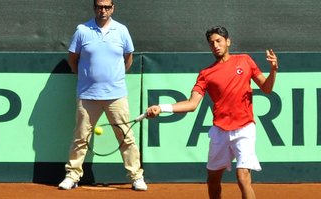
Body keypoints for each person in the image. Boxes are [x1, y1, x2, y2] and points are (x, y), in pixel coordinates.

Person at [146, 26, 278, 199]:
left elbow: (266, 88)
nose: (216, 45)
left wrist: (273, 70)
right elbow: (192, 104)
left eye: (219, 41)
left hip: (245, 128)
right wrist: (162, 108)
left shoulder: (245, 61)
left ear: (228, 42)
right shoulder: (206, 74)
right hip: (220, 131)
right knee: (213, 180)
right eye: (212, 43)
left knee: (243, 176)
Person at [58, 0, 147, 191]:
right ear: (94, 8)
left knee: (125, 137)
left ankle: (136, 177)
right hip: (87, 95)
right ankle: (72, 176)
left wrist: (114, 78)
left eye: (107, 7)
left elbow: (128, 57)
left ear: (112, 8)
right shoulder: (82, 30)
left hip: (116, 96)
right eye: (100, 6)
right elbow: (72, 59)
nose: (103, 10)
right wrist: (85, 78)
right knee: (80, 137)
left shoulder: (122, 30)